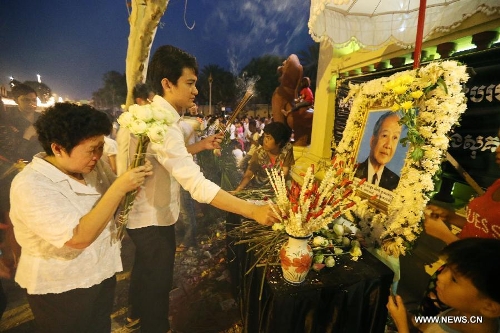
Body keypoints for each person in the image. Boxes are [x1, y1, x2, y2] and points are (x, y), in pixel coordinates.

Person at [117, 45, 278, 333]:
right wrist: (252, 211)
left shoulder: (155, 118)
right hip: (151, 219)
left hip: (143, 217)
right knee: (158, 285)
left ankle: (134, 314)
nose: (196, 91)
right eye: (190, 83)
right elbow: (197, 186)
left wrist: (200, 145)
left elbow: (164, 158)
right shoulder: (162, 126)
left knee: (145, 271)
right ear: (167, 83)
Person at [8, 102, 152, 333]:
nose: (98, 156)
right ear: (58, 148)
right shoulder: (31, 185)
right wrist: (119, 188)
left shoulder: (93, 168)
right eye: (91, 149)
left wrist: (131, 184)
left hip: (100, 273)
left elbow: (112, 204)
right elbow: (77, 238)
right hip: (62, 287)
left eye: (101, 147)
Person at [387, 238, 500, 333]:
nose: (441, 277)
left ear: (489, 307)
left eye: (454, 279)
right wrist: (409, 320)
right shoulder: (466, 315)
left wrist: (402, 326)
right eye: (447, 267)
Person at [233, 121, 294, 192]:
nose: (265, 141)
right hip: (258, 189)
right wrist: (238, 189)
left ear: (279, 142)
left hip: (277, 190)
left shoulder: (286, 151)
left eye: (269, 138)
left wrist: (279, 190)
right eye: (265, 136)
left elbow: (285, 172)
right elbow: (249, 174)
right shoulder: (259, 154)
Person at [354, 111, 402, 191]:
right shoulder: (353, 171)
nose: (388, 145)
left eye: (395, 138)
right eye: (384, 135)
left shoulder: (396, 183)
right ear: (372, 140)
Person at [8, 83, 43, 161]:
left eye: (34, 100)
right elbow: (12, 155)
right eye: (26, 100)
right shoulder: (8, 121)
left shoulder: (42, 118)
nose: (31, 103)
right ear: (16, 100)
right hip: (23, 165)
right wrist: (26, 137)